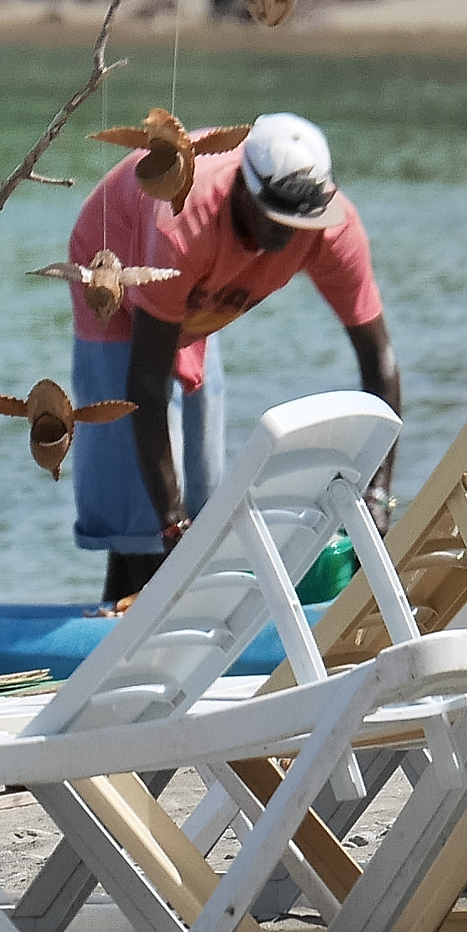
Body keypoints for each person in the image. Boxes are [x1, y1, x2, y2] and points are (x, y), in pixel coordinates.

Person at [69, 112, 399, 602]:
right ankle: (111, 642)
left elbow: (380, 362)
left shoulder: (330, 226)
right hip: (117, 273)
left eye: (301, 223)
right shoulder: (185, 222)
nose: (289, 236)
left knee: (206, 512)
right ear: (244, 191)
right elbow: (144, 382)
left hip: (200, 297)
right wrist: (169, 522)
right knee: (145, 527)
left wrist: (378, 495)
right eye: (278, 220)